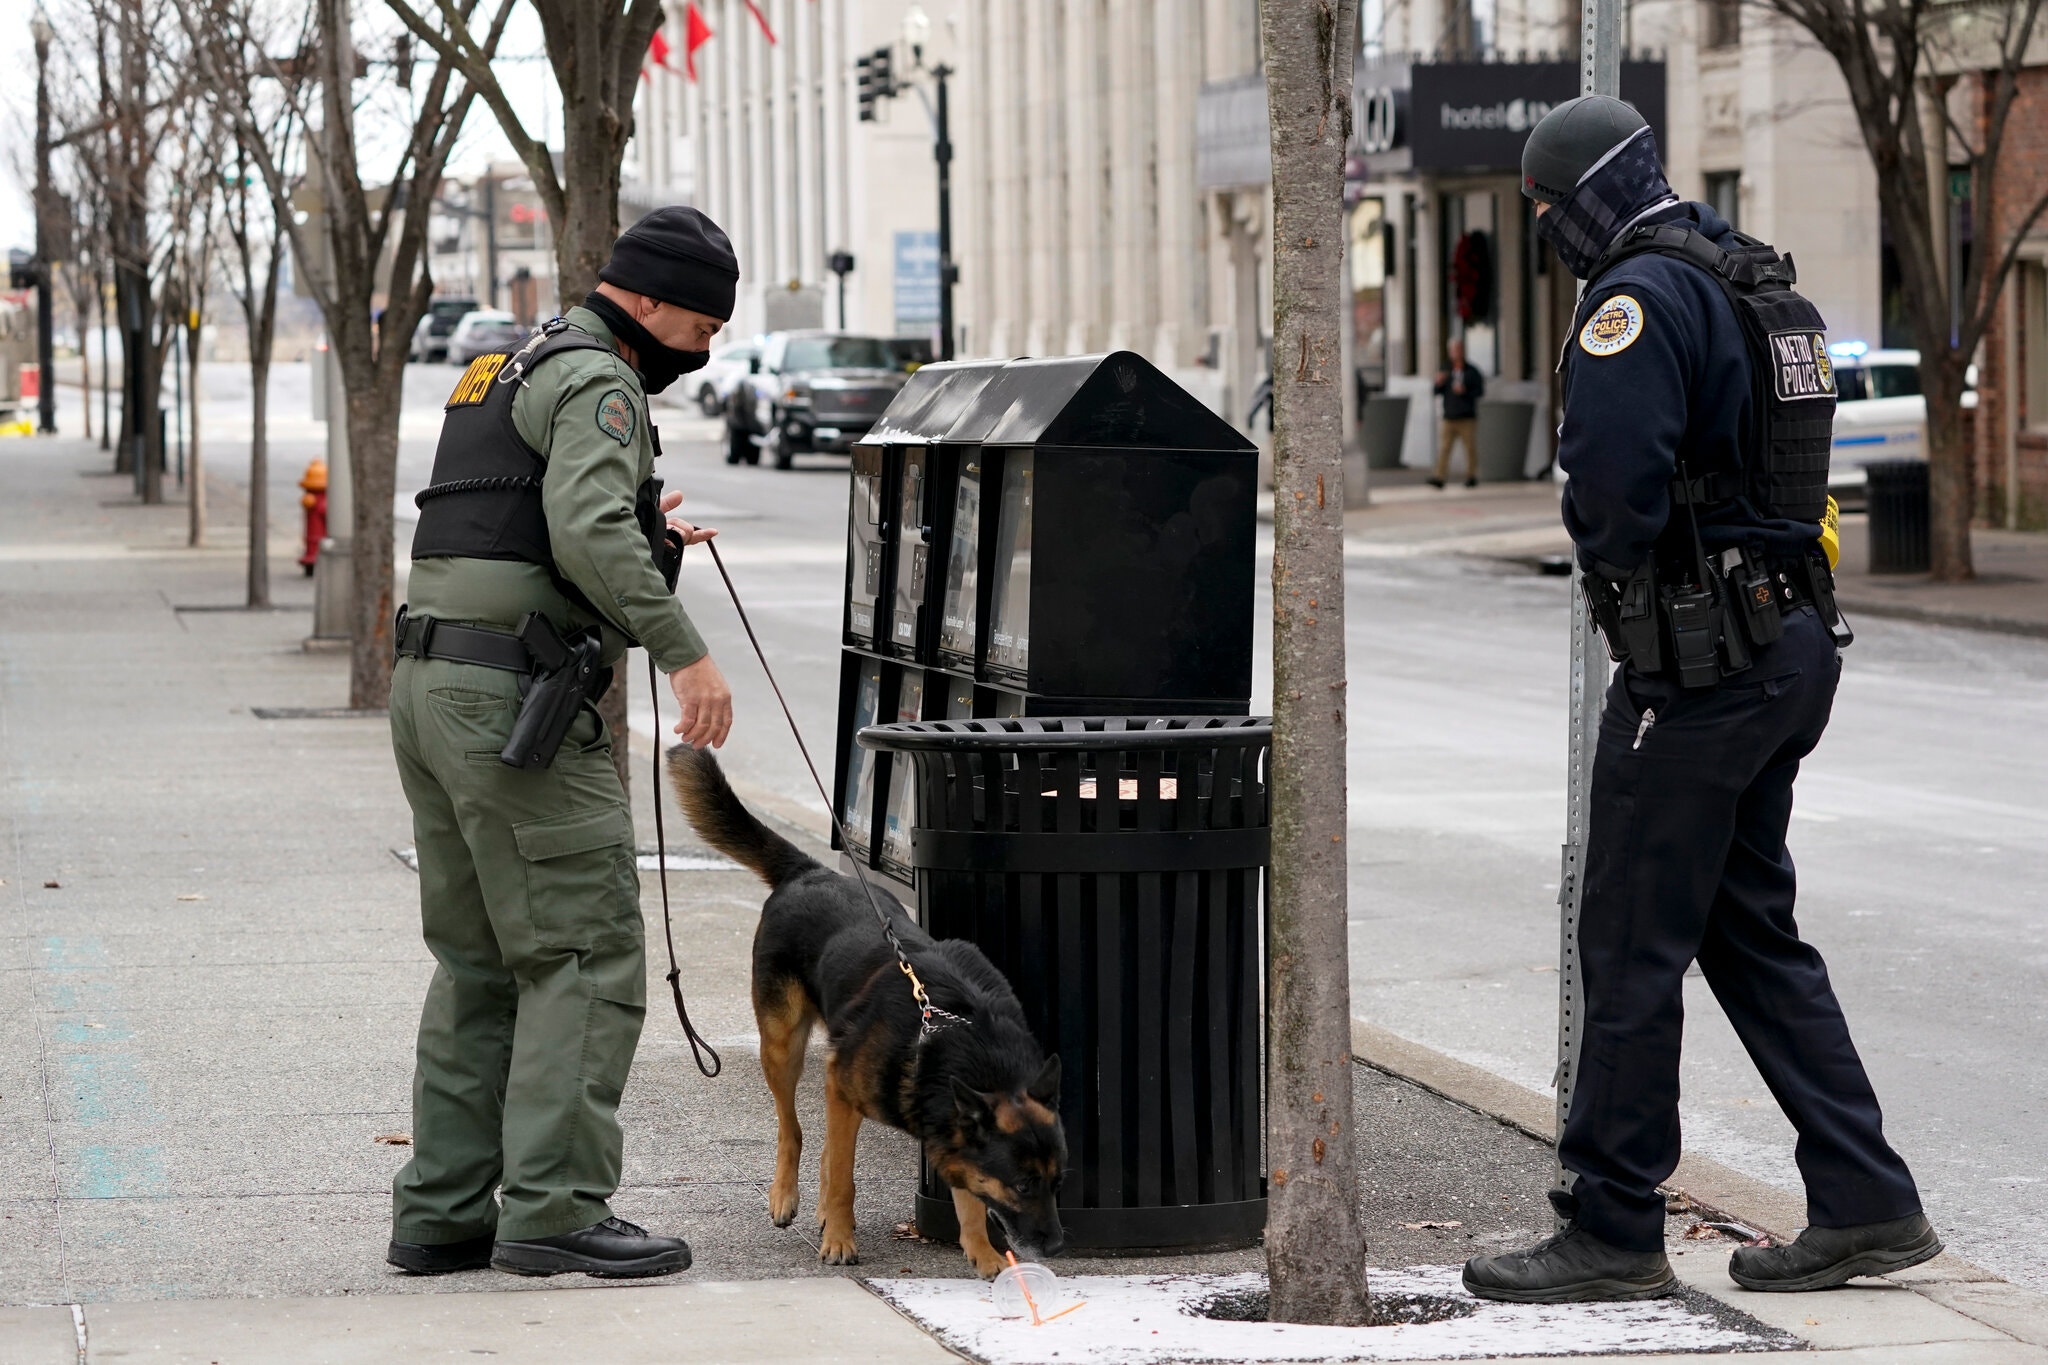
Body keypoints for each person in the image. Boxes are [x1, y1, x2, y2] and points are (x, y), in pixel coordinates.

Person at [1463, 98, 1939, 1304]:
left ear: (1579, 197)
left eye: (1542, 210)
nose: (1544, 233)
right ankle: (1865, 1199)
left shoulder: (1635, 298)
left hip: (1698, 665)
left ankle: (1610, 1228)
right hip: (1785, 644)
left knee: (1626, 940)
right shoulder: (1756, 279)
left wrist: (1626, 582)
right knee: (1744, 929)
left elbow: (1612, 485)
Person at [383, 206, 739, 1280]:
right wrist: (684, 653)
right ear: (646, 299)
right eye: (701, 322)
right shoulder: (599, 379)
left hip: (432, 686)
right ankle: (552, 1210)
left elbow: (521, 524)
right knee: (581, 951)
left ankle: (442, 1214)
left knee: (480, 961)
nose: (707, 346)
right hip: (516, 700)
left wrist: (651, 538)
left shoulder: (499, 367)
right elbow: (584, 533)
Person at [1430, 337, 1483, 488]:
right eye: (1453, 350)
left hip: (1466, 416)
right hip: (1449, 415)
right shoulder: (1445, 370)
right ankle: (1439, 476)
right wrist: (1438, 382)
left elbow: (1479, 391)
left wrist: (1465, 391)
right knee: (1444, 448)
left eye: (1458, 349)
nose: (1455, 353)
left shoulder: (1471, 371)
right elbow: (1436, 391)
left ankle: (1471, 475)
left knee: (1470, 448)